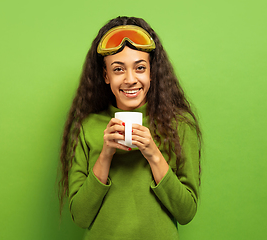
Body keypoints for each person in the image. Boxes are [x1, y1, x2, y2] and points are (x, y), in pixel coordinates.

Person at [58, 16, 202, 240]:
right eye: (118, 69)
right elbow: (80, 216)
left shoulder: (180, 125)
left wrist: (153, 154)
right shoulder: (88, 127)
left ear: (151, 72)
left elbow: (186, 212)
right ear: (106, 75)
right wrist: (105, 154)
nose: (130, 79)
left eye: (140, 67)